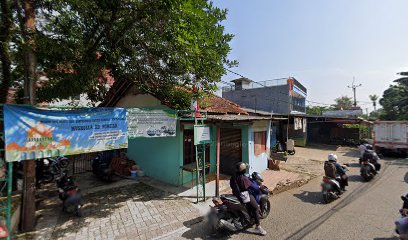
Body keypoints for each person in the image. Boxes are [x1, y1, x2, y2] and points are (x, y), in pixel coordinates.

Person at [230, 162, 267, 236]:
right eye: (245, 169)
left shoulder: (233, 176)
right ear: (243, 170)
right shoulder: (243, 178)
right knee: (256, 207)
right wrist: (259, 187)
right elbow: (253, 187)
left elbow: (231, 185)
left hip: (235, 195)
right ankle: (258, 227)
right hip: (244, 195)